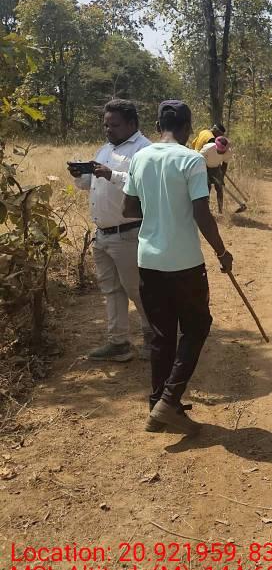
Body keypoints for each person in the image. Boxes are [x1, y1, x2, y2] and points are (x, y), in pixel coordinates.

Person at [122, 100, 233, 435]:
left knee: (162, 335)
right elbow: (201, 214)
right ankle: (169, 401)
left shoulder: (140, 158)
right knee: (197, 327)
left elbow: (129, 209)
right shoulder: (192, 160)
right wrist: (222, 252)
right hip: (184, 263)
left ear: (158, 126)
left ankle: (157, 405)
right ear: (188, 128)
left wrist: (158, 210)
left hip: (148, 261)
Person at [67, 99, 152, 362]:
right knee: (111, 290)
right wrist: (81, 175)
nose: (108, 129)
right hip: (103, 234)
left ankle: (154, 336)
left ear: (132, 123)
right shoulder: (105, 149)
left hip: (128, 233)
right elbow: (91, 185)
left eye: (114, 125)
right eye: (105, 125)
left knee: (137, 289)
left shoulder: (144, 150)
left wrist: (111, 174)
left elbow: (143, 185)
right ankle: (119, 342)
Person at [200, 135, 230, 215]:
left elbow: (224, 164)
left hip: (216, 168)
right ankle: (206, 211)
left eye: (223, 152)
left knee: (219, 188)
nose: (221, 153)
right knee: (207, 188)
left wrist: (221, 177)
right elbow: (199, 159)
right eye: (220, 151)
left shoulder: (228, 152)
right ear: (216, 146)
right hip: (204, 167)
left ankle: (220, 211)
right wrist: (204, 172)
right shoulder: (208, 148)